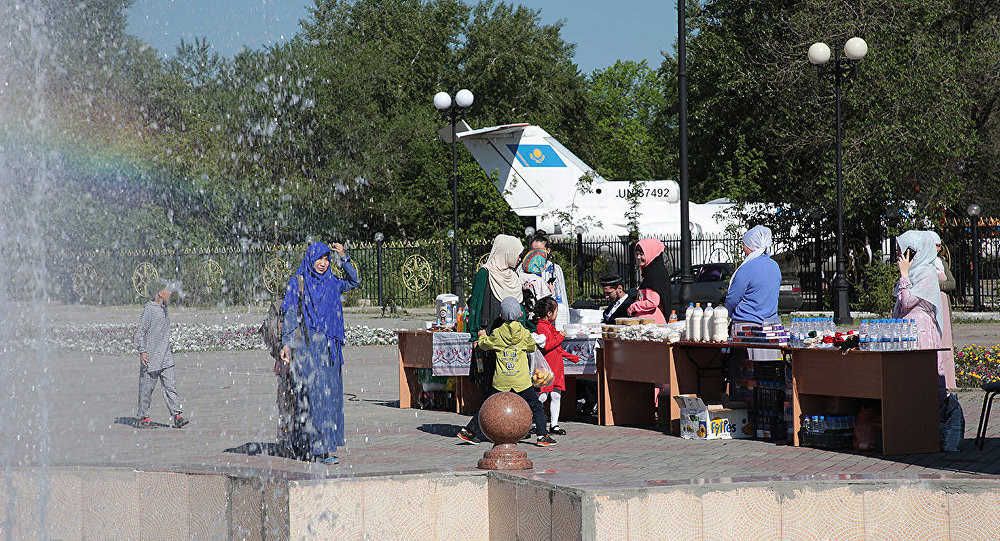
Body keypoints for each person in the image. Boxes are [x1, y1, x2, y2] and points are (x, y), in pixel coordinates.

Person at [279, 242, 360, 465]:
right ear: (310, 259)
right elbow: (290, 312)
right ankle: (317, 448)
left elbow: (354, 281)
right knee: (314, 396)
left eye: (326, 259)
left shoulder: (332, 282)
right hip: (308, 347)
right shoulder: (298, 282)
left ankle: (316, 446)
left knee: (330, 397)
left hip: (330, 348)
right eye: (319, 259)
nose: (323, 263)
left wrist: (342, 256)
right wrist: (286, 344)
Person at [458, 297, 556, 447]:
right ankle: (542, 435)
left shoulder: (497, 333)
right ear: (521, 315)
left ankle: (469, 431)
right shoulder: (524, 333)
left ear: (501, 316)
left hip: (501, 380)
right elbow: (531, 347)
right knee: (536, 406)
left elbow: (484, 344)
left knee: (489, 405)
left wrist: (482, 336)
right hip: (521, 381)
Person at [466, 234, 528, 398]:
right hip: (490, 336)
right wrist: (475, 335)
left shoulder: (513, 276)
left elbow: (519, 306)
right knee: (491, 381)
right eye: (517, 254)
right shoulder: (485, 274)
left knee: (515, 382)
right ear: (507, 253)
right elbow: (475, 305)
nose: (520, 259)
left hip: (513, 339)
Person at [893, 230, 946, 405]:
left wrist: (904, 276)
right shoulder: (914, 271)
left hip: (920, 331)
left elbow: (908, 301)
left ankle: (926, 411)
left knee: (921, 376)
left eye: (902, 251)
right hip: (907, 329)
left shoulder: (926, 272)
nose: (899, 256)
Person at [134, 278, 187, 429]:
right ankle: (144, 418)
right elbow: (140, 333)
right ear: (159, 293)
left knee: (171, 386)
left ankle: (177, 416)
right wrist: (142, 351)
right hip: (150, 357)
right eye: (167, 290)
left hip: (166, 357)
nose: (170, 293)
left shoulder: (164, 307)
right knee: (146, 389)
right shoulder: (150, 310)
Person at [725, 225, 782, 361]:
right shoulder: (774, 266)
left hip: (747, 327)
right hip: (771, 325)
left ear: (751, 245)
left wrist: (726, 314)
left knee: (746, 368)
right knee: (768, 367)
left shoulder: (747, 268)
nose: (743, 248)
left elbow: (732, 299)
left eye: (744, 244)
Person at [533, 297, 580, 435]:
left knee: (556, 395)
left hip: (556, 367)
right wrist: (560, 336)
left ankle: (554, 424)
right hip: (546, 367)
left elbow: (557, 348)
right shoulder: (541, 327)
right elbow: (547, 345)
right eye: (556, 311)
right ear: (549, 313)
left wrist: (572, 357)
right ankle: (535, 422)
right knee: (543, 395)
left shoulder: (549, 326)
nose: (557, 314)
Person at [928, 231, 956, 390]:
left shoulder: (941, 263)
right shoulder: (923, 264)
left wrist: (940, 286)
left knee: (945, 339)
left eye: (939, 246)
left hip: (943, 302)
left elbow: (952, 283)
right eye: (935, 245)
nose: (937, 248)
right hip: (931, 303)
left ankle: (949, 380)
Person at [530, 231, 570, 329]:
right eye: (533, 251)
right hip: (531, 318)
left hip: (550, 321)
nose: (536, 254)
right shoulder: (523, 269)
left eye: (539, 250)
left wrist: (565, 324)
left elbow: (562, 296)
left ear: (548, 250)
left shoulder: (555, 269)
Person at [628, 238, 672, 323]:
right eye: (637, 254)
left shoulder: (653, 275)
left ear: (651, 254)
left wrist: (633, 307)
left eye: (641, 254)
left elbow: (652, 302)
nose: (638, 257)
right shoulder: (653, 271)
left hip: (651, 323)